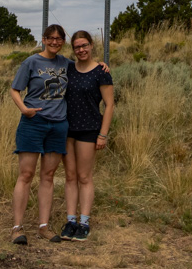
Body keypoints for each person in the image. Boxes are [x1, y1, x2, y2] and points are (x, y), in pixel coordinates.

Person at [9, 24, 72, 245]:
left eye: (59, 39)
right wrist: (24, 109)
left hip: (58, 125)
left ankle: (43, 226)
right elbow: (14, 89)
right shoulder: (31, 62)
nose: (55, 42)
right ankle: (17, 228)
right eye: (50, 38)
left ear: (63, 41)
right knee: (26, 175)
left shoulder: (66, 63)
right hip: (33, 123)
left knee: (48, 176)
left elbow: (85, 69)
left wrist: (101, 65)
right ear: (43, 39)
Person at [60, 30, 114, 242]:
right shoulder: (68, 68)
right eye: (77, 47)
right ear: (73, 50)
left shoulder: (101, 72)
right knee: (70, 176)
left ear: (91, 45)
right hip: (67, 129)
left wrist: (103, 134)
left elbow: (109, 105)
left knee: (84, 176)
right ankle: (71, 220)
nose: (81, 50)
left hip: (89, 129)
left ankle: (84, 222)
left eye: (84, 45)